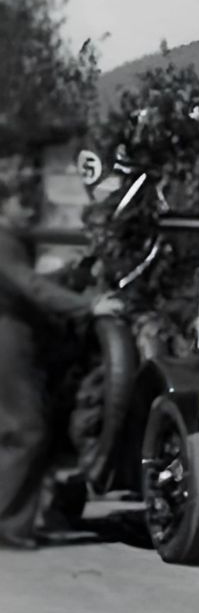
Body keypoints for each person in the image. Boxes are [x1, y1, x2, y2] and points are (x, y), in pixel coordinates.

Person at [0, 174, 109, 549]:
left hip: (16, 337)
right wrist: (89, 305)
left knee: (18, 429)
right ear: (7, 205)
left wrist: (73, 273)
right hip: (8, 340)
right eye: (25, 205)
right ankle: (9, 526)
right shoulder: (3, 239)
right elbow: (29, 286)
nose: (31, 213)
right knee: (25, 430)